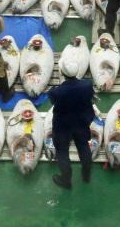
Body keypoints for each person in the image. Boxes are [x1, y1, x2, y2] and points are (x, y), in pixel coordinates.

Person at [48, 57, 95, 189]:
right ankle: (86, 175)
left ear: (62, 73)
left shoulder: (56, 92)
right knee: (83, 146)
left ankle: (66, 180)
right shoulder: (87, 85)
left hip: (63, 126)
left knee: (62, 151)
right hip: (81, 122)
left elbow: (53, 101)